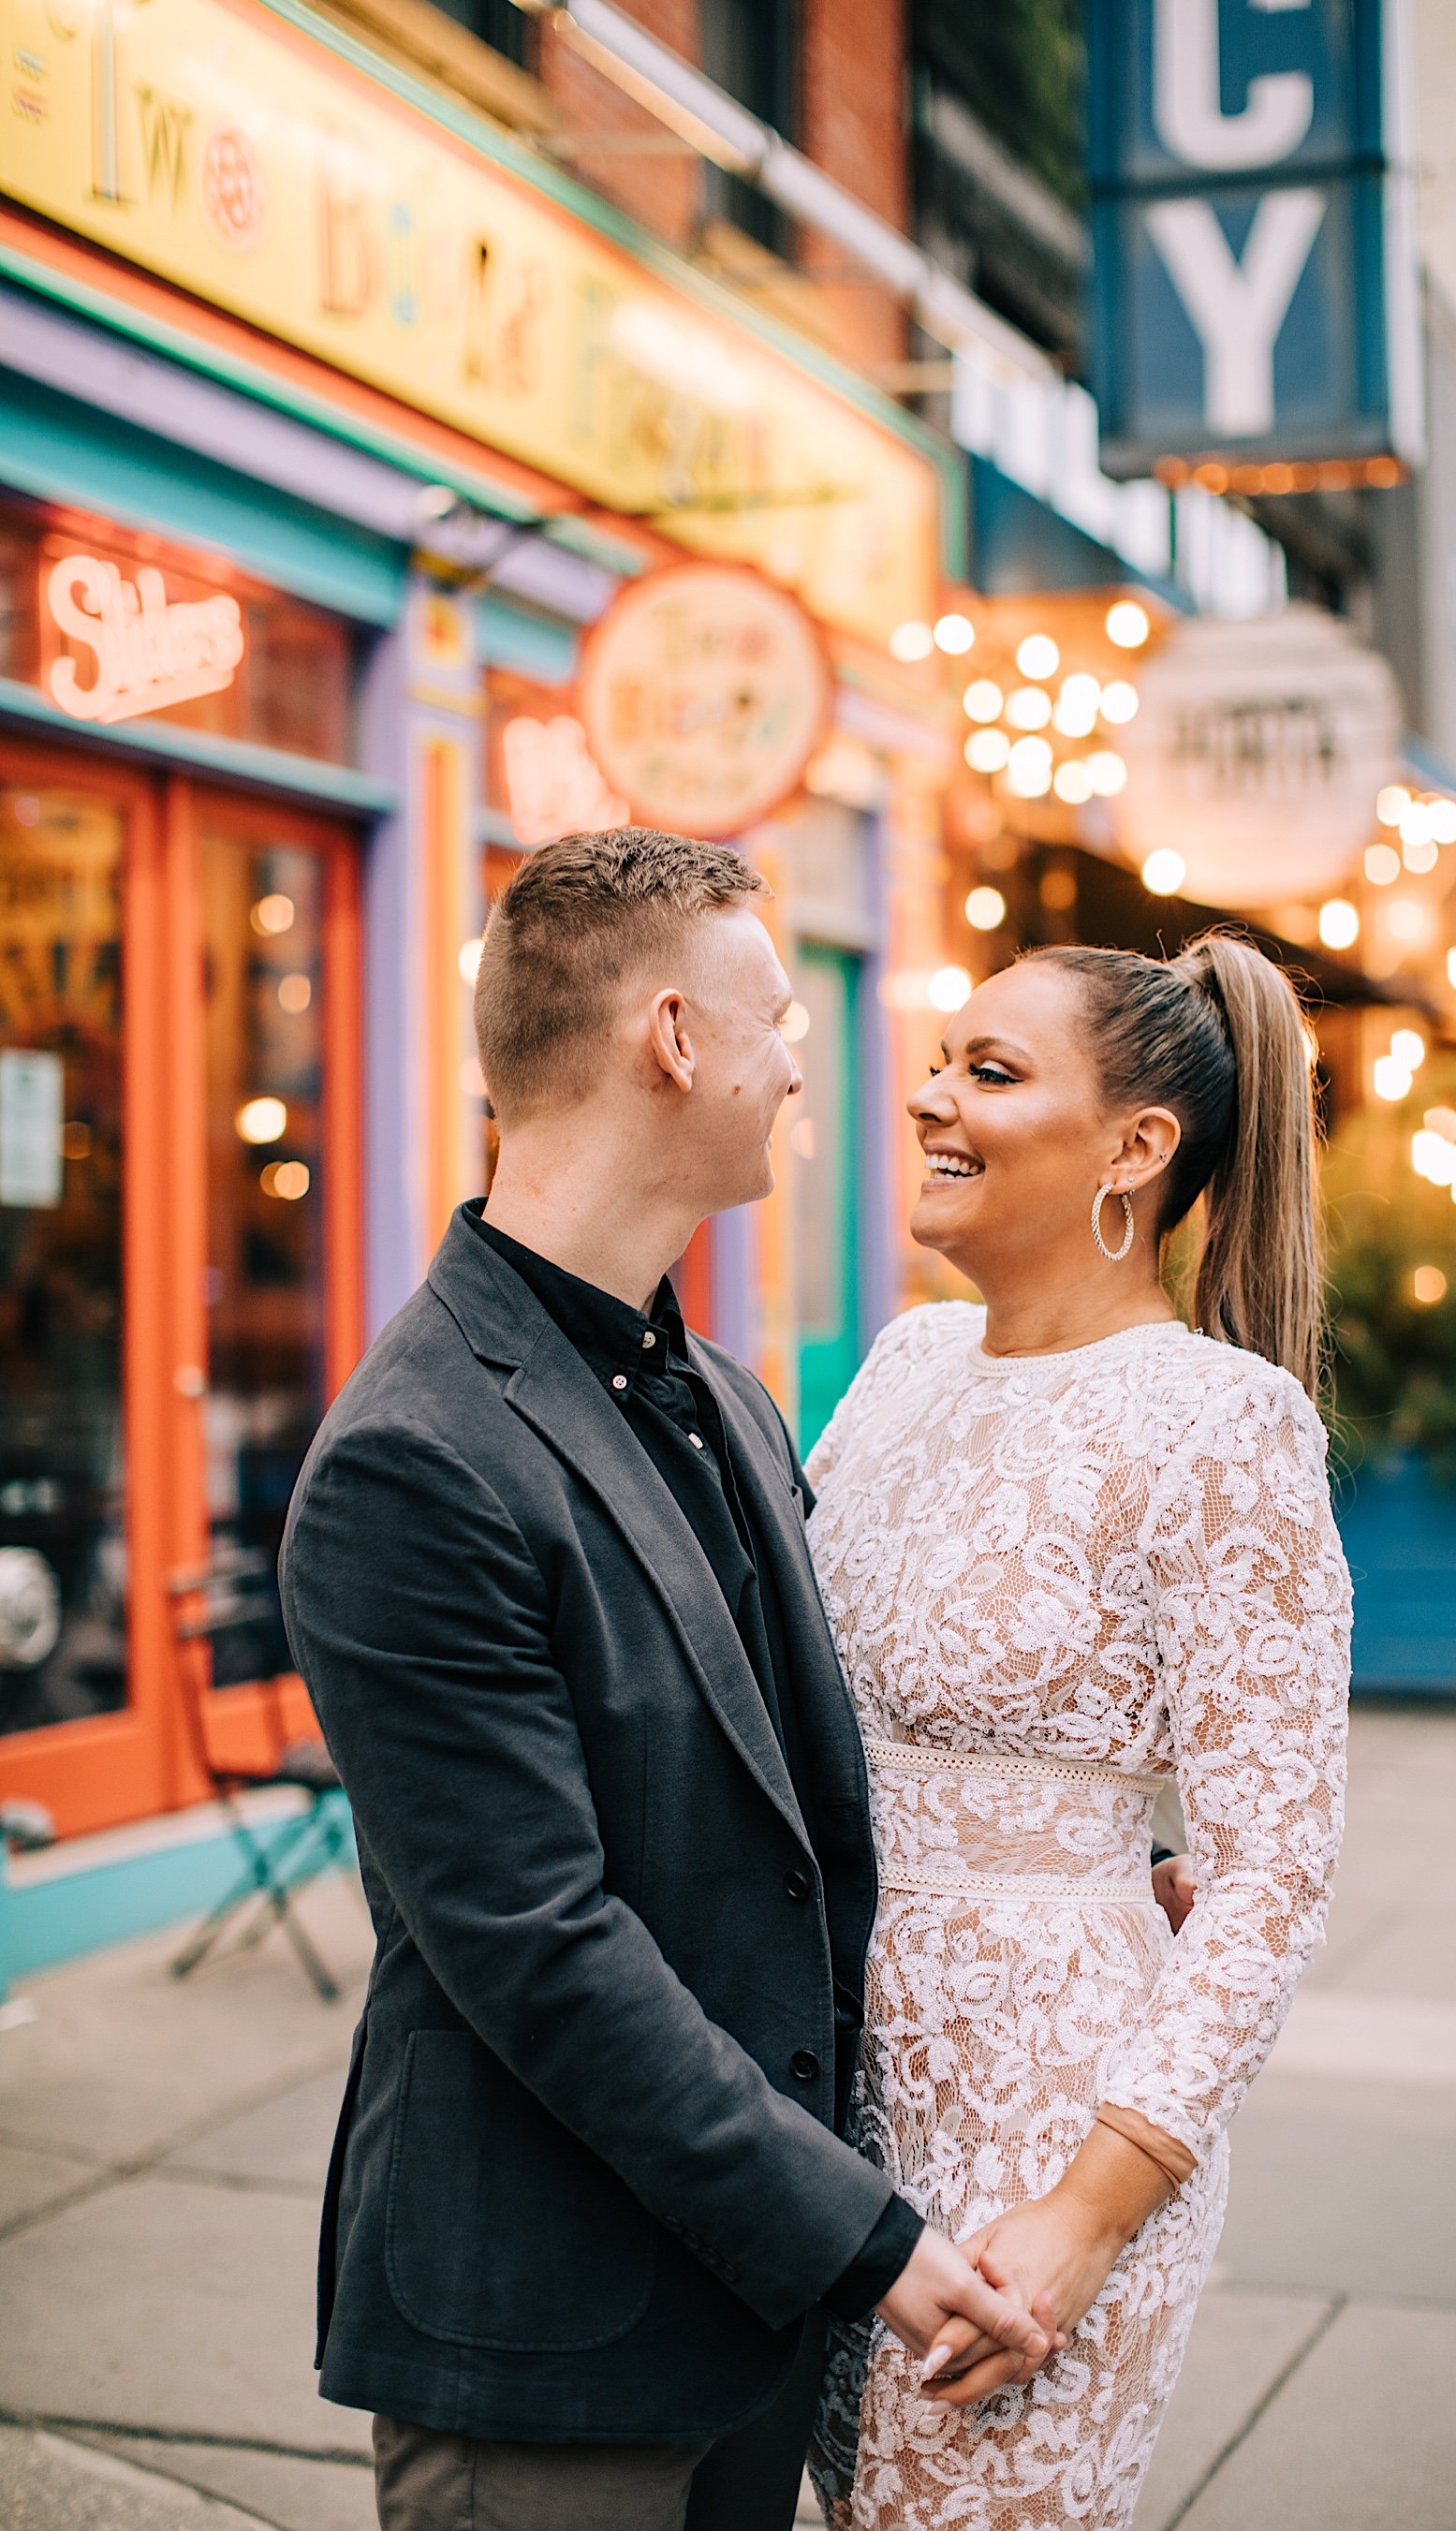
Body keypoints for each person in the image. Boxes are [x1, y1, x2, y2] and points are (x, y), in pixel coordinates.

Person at [278, 831, 1056, 2531]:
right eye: (775, 1016)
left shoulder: (730, 1391)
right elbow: (540, 1953)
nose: (802, 1062)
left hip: (747, 2318)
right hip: (546, 2329)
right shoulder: (413, 1458)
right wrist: (865, 2240)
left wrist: (1083, 1876)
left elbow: (793, 1805)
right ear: (673, 1042)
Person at [805, 939, 1351, 2530]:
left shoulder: (1222, 1424)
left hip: (1047, 2109)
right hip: (828, 2091)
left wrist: (1095, 2206)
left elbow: (1272, 1873)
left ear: (1137, 1148)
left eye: (990, 1070)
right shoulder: (903, 1366)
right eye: (939, 1063)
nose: (926, 1099)